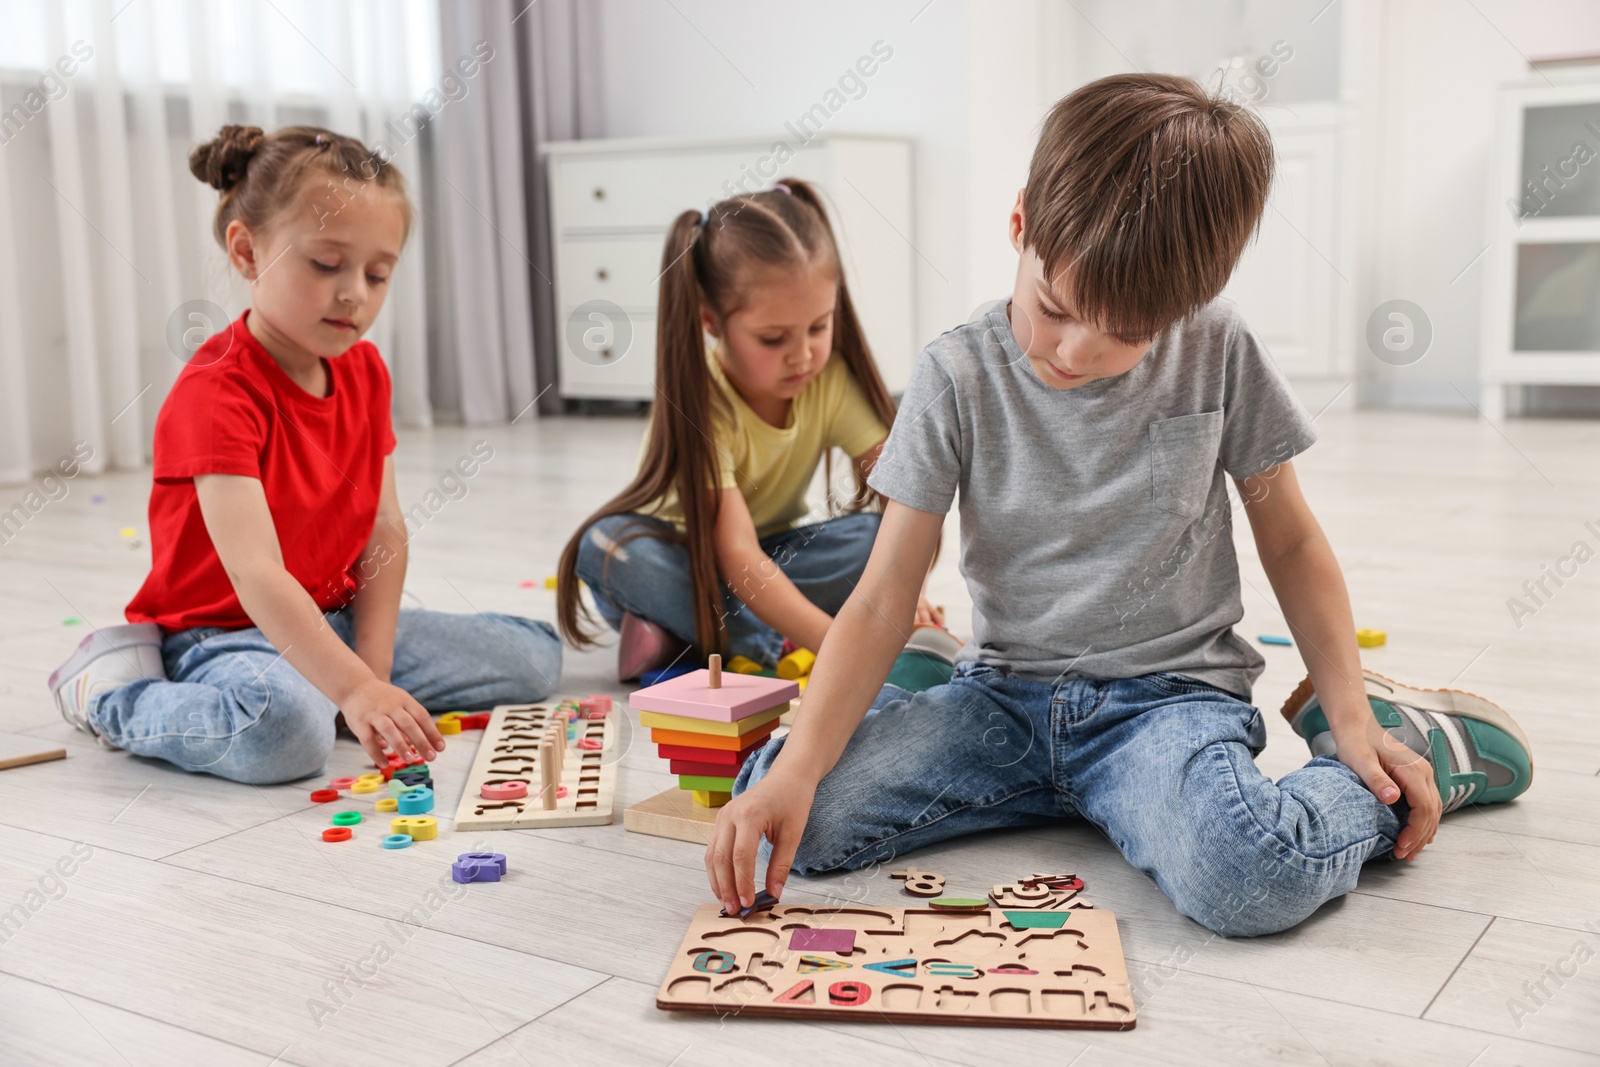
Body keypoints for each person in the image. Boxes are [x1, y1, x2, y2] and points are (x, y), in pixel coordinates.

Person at [706, 75, 1534, 935]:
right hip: (1004, 700)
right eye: (1054, 308)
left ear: (1183, 306)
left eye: (1127, 335)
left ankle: (1407, 755)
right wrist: (798, 768)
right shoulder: (954, 375)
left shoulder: (1217, 348)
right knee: (793, 809)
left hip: (1164, 704)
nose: (1073, 351)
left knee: (1247, 874)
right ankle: (931, 690)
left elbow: (1288, 540)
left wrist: (1351, 712)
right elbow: (881, 596)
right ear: (1021, 224)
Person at [48, 125, 561, 784]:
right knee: (284, 734)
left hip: (330, 620)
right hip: (223, 634)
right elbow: (257, 570)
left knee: (534, 658)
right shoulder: (216, 392)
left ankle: (333, 680)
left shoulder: (366, 370)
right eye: (326, 264)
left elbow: (385, 529)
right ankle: (113, 695)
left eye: (378, 274)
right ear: (247, 252)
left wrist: (369, 675)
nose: (355, 293)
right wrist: (350, 690)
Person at [557, 179, 942, 681]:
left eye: (819, 327)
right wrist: (842, 649)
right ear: (711, 321)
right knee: (605, 547)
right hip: (681, 560)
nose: (803, 354)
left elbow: (903, 494)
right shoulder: (703, 399)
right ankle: (756, 638)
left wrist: (908, 591)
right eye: (774, 337)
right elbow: (735, 554)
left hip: (771, 559)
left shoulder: (829, 381)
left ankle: (683, 638)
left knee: (875, 537)